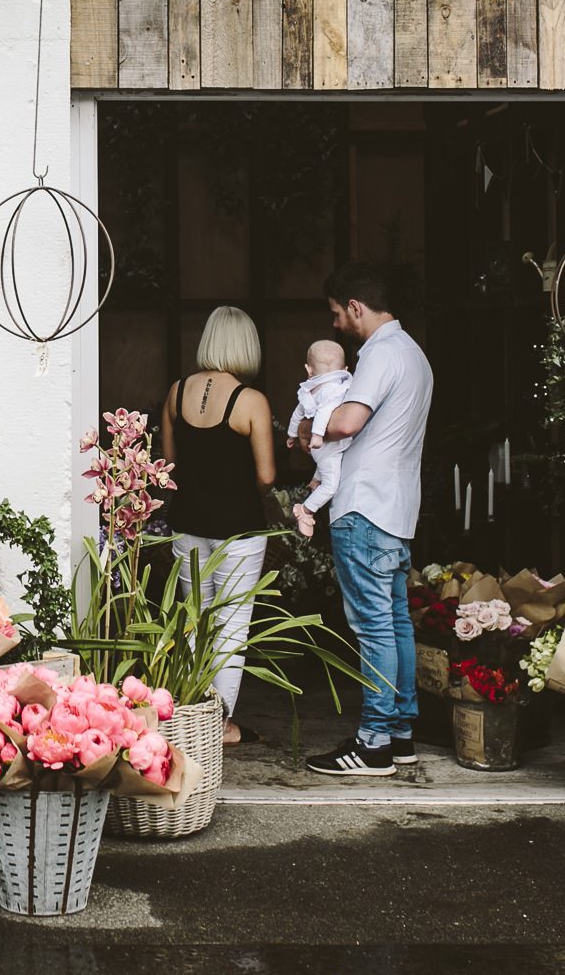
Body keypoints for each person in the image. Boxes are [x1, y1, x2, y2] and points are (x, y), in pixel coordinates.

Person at [300, 263, 434, 778]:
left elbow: (348, 421)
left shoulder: (379, 354)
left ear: (356, 307)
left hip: (364, 507)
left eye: (337, 314)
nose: (336, 325)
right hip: (397, 508)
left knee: (374, 627)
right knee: (395, 623)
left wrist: (308, 425)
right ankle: (399, 735)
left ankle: (374, 742)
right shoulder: (415, 355)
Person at [160, 306, 279, 747]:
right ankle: (220, 725)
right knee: (232, 627)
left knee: (197, 623)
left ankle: (188, 715)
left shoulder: (176, 392)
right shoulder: (251, 401)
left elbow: (168, 466)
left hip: (187, 525)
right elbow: (266, 476)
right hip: (238, 530)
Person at [284, 339, 352, 539]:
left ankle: (316, 479)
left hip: (321, 449)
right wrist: (317, 434)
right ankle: (306, 510)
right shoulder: (336, 389)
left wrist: (291, 434)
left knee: (330, 460)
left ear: (309, 369)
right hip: (323, 443)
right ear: (345, 368)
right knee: (331, 485)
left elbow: (297, 414)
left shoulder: (309, 391)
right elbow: (323, 412)